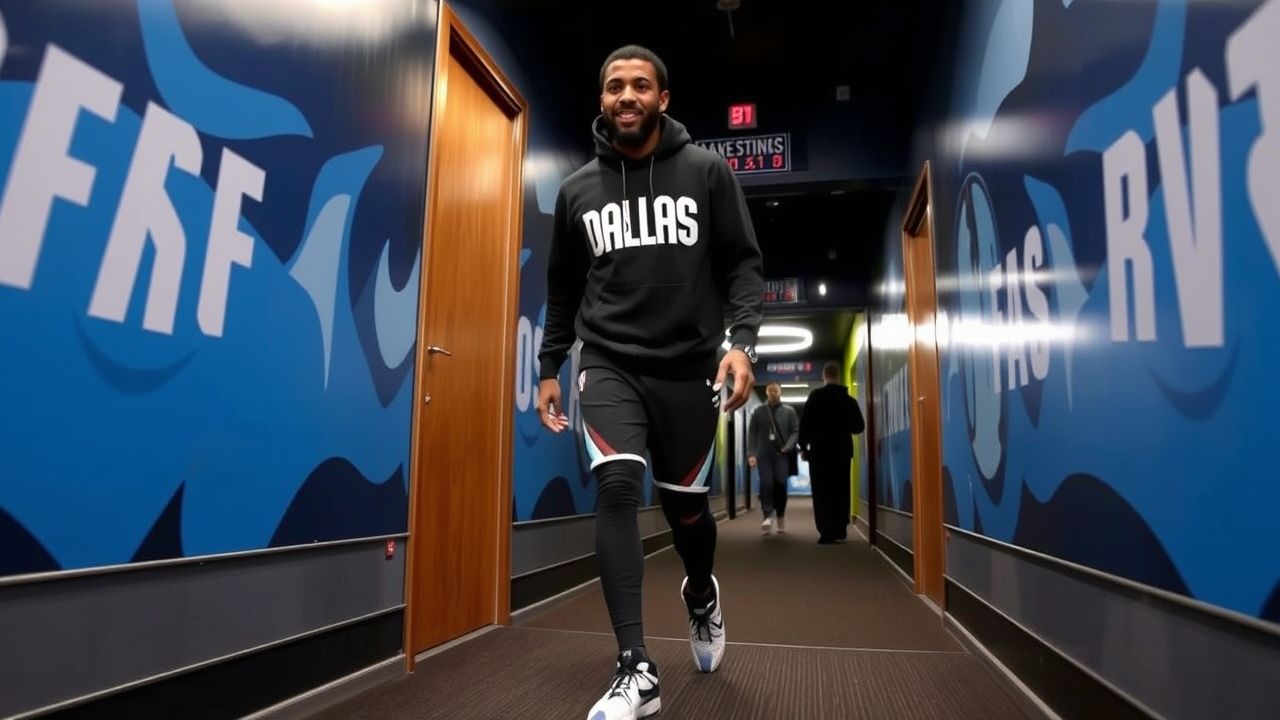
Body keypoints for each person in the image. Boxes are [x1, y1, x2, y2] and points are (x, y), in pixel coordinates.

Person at [534, 44, 763, 720]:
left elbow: (743, 267)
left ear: (663, 98)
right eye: (614, 87)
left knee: (687, 511)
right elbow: (561, 291)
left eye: (640, 85)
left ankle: (699, 592)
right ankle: (635, 666)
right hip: (608, 360)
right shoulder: (577, 190)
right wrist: (550, 366)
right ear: (601, 99)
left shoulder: (706, 172)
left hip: (689, 367)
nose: (626, 96)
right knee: (615, 485)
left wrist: (742, 345)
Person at [797, 362, 865, 544]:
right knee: (841, 490)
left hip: (819, 453)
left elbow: (804, 425)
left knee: (821, 492)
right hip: (842, 452)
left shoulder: (815, 397)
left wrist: (803, 448)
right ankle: (840, 528)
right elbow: (859, 427)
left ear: (824, 376)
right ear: (839, 376)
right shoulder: (849, 400)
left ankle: (825, 531)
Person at [747, 382, 799, 535]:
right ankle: (767, 516)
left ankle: (781, 514)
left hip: (781, 454)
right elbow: (752, 433)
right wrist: (752, 454)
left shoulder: (789, 411)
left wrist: (787, 447)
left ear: (780, 392)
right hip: (764, 455)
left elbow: (795, 432)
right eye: (770, 390)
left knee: (781, 484)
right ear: (767, 392)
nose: (772, 393)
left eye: (775, 390)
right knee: (766, 484)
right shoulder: (759, 411)